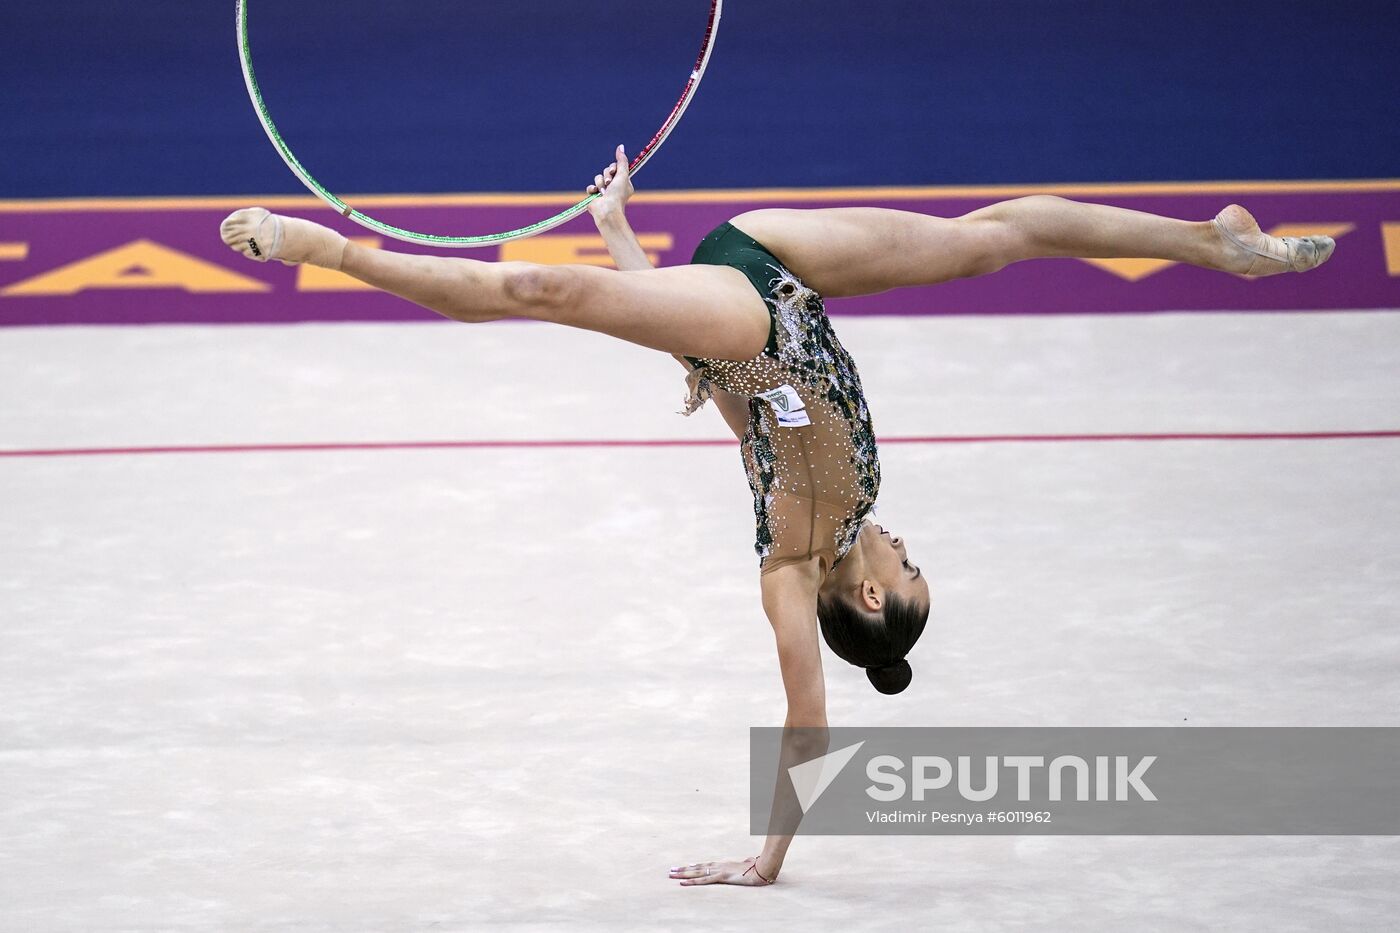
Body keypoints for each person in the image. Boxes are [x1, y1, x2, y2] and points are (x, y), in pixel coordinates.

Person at [219, 147, 1333, 886]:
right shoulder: (853, 508)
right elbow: (754, 414)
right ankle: (1213, 241)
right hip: (785, 277)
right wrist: (641, 265)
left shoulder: (787, 574)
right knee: (996, 234)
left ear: (868, 597)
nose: (906, 547)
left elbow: (806, 719)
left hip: (739, 326)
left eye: (910, 569)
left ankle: (318, 249)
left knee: (536, 294)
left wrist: (768, 861)